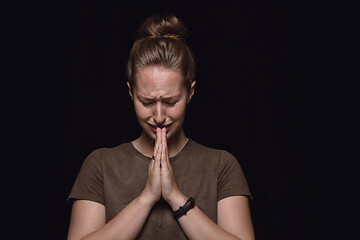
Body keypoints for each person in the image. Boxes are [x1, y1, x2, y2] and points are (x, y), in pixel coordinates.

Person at [67, 14, 255, 240]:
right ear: (130, 93)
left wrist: (175, 196)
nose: (158, 116)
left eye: (170, 102)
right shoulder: (100, 165)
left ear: (190, 93)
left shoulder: (222, 166)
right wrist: (147, 197)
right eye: (146, 102)